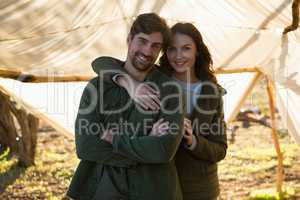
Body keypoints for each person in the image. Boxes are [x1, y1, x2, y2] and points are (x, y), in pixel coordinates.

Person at [93, 22, 227, 200]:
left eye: (186, 48)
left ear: (198, 51)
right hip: (159, 185)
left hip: (199, 189)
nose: (178, 56)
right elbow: (100, 63)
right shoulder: (151, 79)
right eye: (172, 49)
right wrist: (129, 83)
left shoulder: (212, 92)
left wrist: (192, 140)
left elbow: (220, 149)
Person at [67, 13, 185, 200]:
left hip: (153, 189)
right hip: (103, 188)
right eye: (142, 41)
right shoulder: (97, 87)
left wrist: (113, 138)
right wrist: (146, 141)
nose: (147, 51)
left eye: (155, 46)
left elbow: (163, 151)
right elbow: (86, 147)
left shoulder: (170, 91)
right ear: (129, 39)